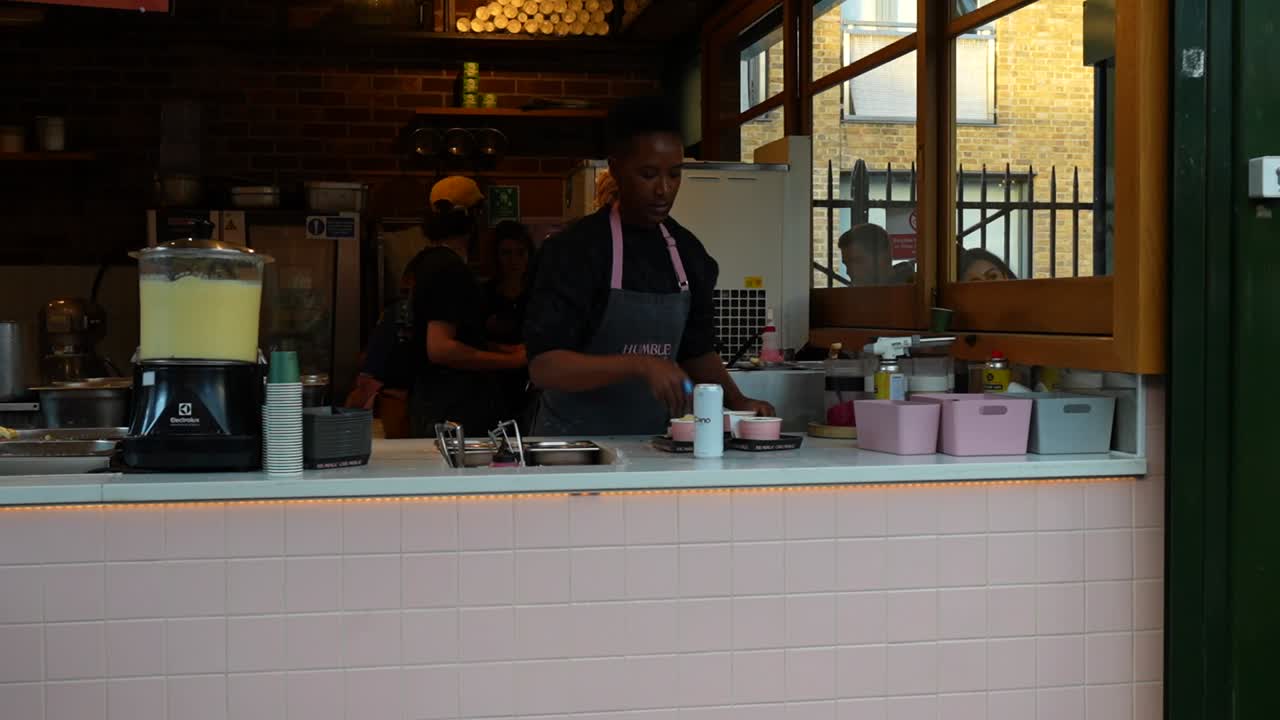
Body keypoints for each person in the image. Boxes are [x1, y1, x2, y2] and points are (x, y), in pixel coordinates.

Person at [524, 95, 774, 436]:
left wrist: (738, 400)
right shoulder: (575, 250)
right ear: (615, 168)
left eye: (674, 174)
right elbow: (545, 368)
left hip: (655, 446)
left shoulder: (688, 254)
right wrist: (640, 364)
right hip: (574, 448)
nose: (664, 189)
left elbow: (696, 351)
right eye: (648, 174)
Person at [407, 176, 527, 437]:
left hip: (435, 404)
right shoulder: (447, 268)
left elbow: (461, 334)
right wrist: (512, 361)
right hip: (451, 410)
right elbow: (441, 348)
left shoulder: (428, 262)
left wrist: (506, 350)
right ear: (473, 218)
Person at [485, 220, 535, 425]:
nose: (513, 260)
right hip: (492, 385)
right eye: (506, 253)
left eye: (520, 253)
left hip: (531, 383)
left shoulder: (538, 294)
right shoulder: (485, 295)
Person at [838, 223, 916, 285]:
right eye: (846, 265)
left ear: (883, 257)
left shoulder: (914, 292)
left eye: (857, 262)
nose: (848, 272)